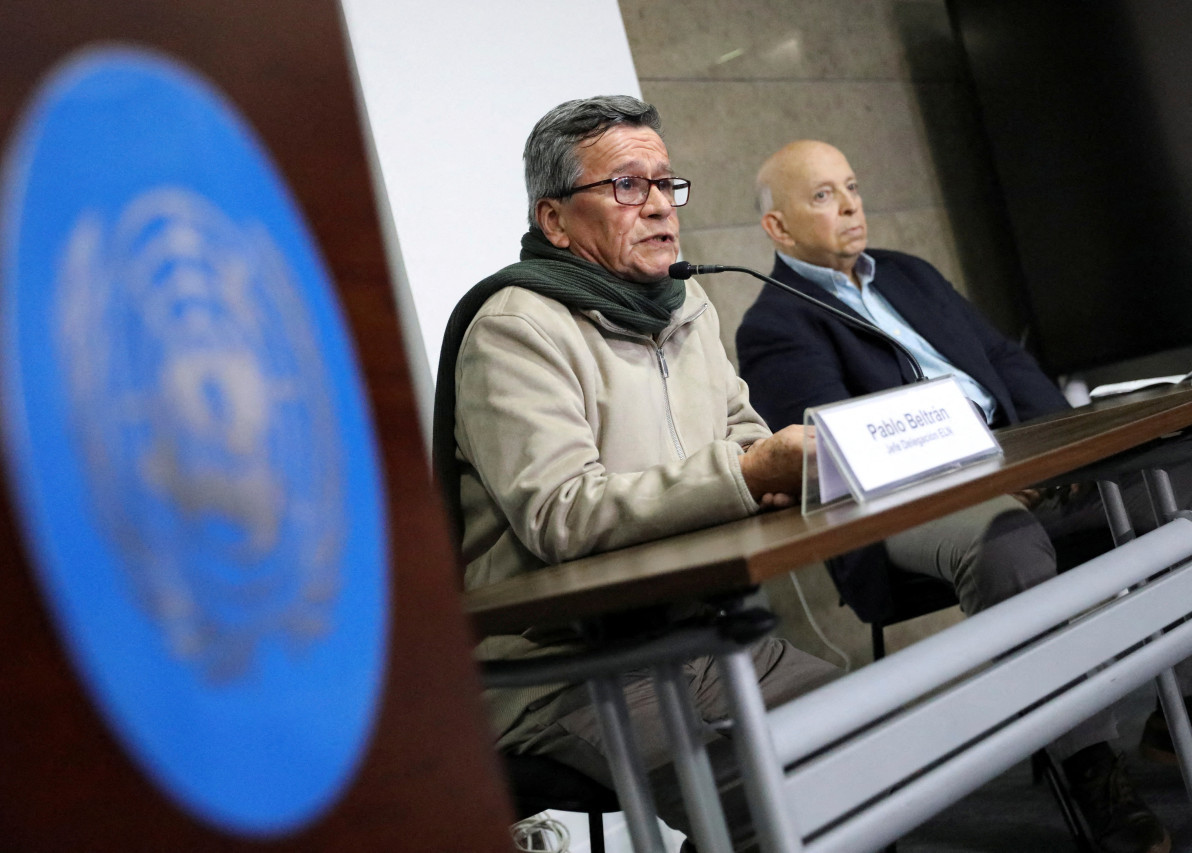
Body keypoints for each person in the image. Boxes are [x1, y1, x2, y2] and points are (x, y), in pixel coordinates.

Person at [736, 139, 1178, 853]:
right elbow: (839, 454)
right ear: (778, 228)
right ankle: (1091, 767)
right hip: (907, 508)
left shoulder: (910, 274)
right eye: (823, 195)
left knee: (1170, 491)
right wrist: (988, 471)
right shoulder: (774, 325)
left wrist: (1053, 446)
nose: (851, 204)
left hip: (1022, 462)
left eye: (851, 185)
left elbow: (1002, 357)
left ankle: (1175, 709)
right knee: (1007, 541)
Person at [433, 97, 837, 851]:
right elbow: (563, 512)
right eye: (627, 186)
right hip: (572, 670)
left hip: (703, 631)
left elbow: (743, 433)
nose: (658, 207)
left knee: (873, 745)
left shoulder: (688, 305)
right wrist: (748, 475)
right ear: (554, 220)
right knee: (775, 803)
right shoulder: (516, 327)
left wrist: (771, 467)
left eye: (666, 183)